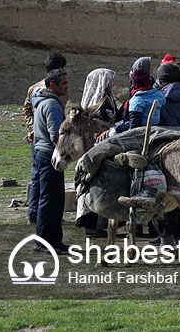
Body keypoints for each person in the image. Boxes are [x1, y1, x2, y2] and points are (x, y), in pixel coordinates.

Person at [23, 52, 67, 224]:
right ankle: (43, 217)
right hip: (48, 141)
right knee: (48, 182)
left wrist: (34, 130)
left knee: (37, 177)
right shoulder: (52, 88)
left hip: (39, 138)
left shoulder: (34, 88)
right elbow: (50, 117)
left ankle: (34, 214)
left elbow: (27, 110)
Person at [75, 68, 117, 238]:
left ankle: (102, 225)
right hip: (94, 148)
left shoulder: (108, 100)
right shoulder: (96, 105)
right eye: (109, 81)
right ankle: (91, 227)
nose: (112, 84)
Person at [31, 68, 69, 251]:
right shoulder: (52, 105)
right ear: (52, 85)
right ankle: (43, 242)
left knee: (54, 199)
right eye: (64, 83)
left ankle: (54, 241)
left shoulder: (45, 102)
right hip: (49, 157)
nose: (67, 86)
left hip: (45, 156)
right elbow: (56, 134)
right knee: (49, 200)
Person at [112, 57, 165, 134]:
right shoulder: (154, 91)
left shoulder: (138, 97)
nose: (152, 69)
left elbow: (134, 121)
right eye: (150, 67)